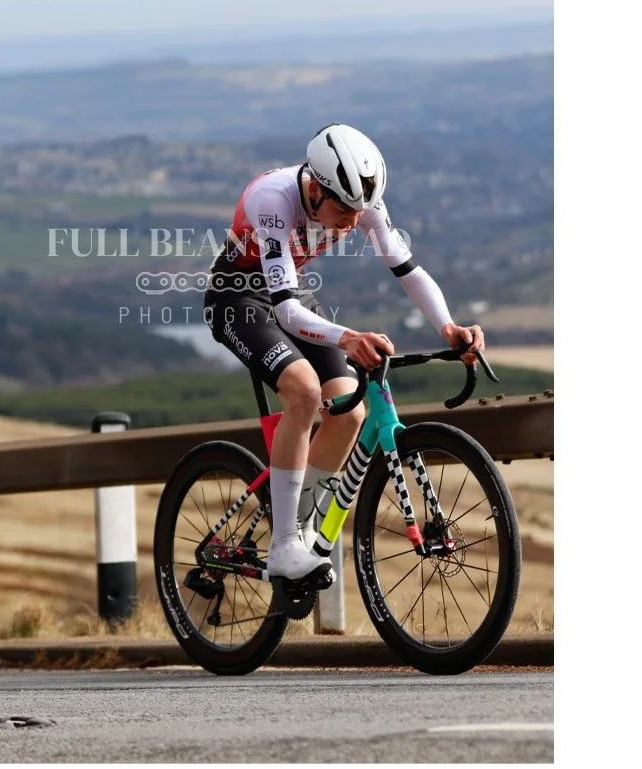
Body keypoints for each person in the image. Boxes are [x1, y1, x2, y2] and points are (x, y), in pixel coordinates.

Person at [203, 123, 485, 582]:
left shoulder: (359, 202)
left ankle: (299, 527)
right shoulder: (274, 200)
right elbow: (285, 310)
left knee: (350, 411)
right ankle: (283, 547)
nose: (353, 222)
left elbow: (407, 270)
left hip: (291, 293)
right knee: (304, 392)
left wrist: (448, 326)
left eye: (360, 211)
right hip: (237, 298)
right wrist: (350, 338)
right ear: (315, 190)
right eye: (343, 210)